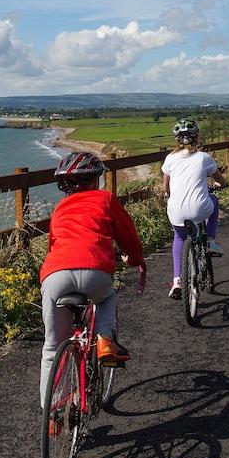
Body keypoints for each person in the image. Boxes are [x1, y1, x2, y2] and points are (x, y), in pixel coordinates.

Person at [39, 151, 146, 407]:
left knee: (52, 347)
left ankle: (51, 414)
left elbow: (54, 244)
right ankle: (105, 339)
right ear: (96, 179)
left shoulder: (59, 208)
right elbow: (128, 238)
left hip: (55, 275)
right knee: (107, 296)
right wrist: (134, 260)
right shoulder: (105, 199)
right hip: (95, 271)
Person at [162, 118, 227, 299]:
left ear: (176, 140)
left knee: (179, 237)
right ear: (196, 137)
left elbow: (165, 187)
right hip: (200, 208)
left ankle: (177, 281)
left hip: (175, 209)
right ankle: (211, 242)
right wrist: (221, 184)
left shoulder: (170, 158)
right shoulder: (204, 158)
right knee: (213, 199)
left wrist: (170, 194)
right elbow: (221, 180)